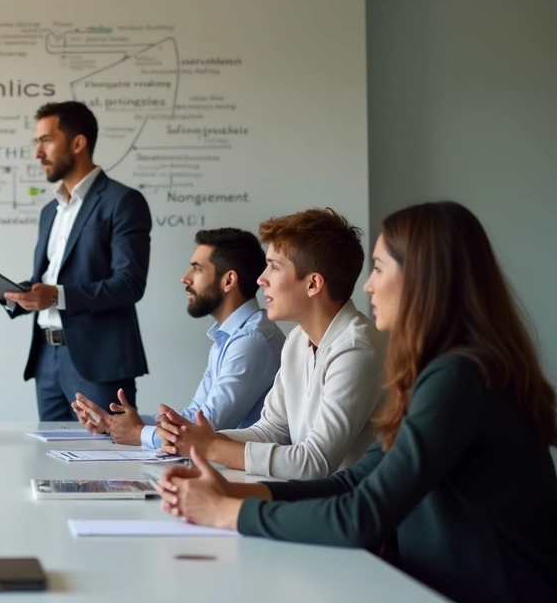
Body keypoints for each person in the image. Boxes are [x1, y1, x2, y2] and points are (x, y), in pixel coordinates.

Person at [158, 201, 557, 603]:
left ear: (423, 278)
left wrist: (225, 512)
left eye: (379, 269)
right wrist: (231, 492)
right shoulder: (438, 370)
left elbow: (360, 515)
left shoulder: (459, 377)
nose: (367, 286)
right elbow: (353, 481)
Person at [156, 208, 383, 479]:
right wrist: (197, 438)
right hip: (312, 495)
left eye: (274, 267)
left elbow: (315, 462)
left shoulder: (357, 347)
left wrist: (212, 447)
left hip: (352, 501)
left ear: (313, 284)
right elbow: (271, 430)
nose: (261, 279)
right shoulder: (298, 339)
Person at [0, 101, 152, 421]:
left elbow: (129, 284)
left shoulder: (122, 201)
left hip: (98, 362)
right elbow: (45, 281)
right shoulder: (50, 211)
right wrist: (4, 291)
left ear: (78, 143)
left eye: (46, 140)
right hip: (46, 360)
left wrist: (56, 296)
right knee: (50, 451)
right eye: (36, 142)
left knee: (105, 453)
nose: (38, 153)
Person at [71, 228, 285, 447]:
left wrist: (138, 433)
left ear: (229, 280)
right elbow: (194, 414)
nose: (185, 278)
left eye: (197, 269)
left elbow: (205, 427)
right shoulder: (231, 336)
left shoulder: (251, 340)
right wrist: (114, 423)